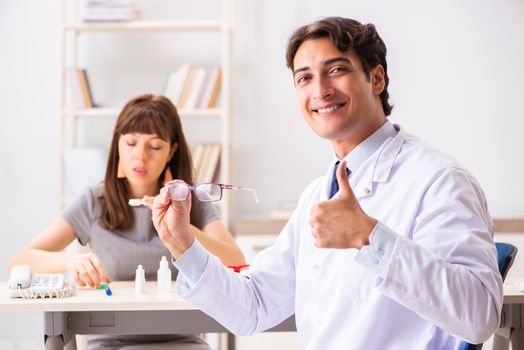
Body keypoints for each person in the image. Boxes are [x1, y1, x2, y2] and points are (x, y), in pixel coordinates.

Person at [151, 17, 504, 349]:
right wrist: (182, 243)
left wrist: (369, 237)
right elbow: (252, 308)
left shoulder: (438, 180)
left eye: (336, 70)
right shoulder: (318, 194)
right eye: (304, 78)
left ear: (376, 79)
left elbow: (478, 316)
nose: (319, 90)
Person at [7, 94, 246, 350]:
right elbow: (18, 262)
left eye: (154, 146)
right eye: (131, 143)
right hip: (111, 342)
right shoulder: (94, 202)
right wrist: (70, 261)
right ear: (117, 144)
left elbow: (237, 260)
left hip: (184, 341)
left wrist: (181, 227)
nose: (140, 157)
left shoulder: (190, 203)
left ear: (171, 151)